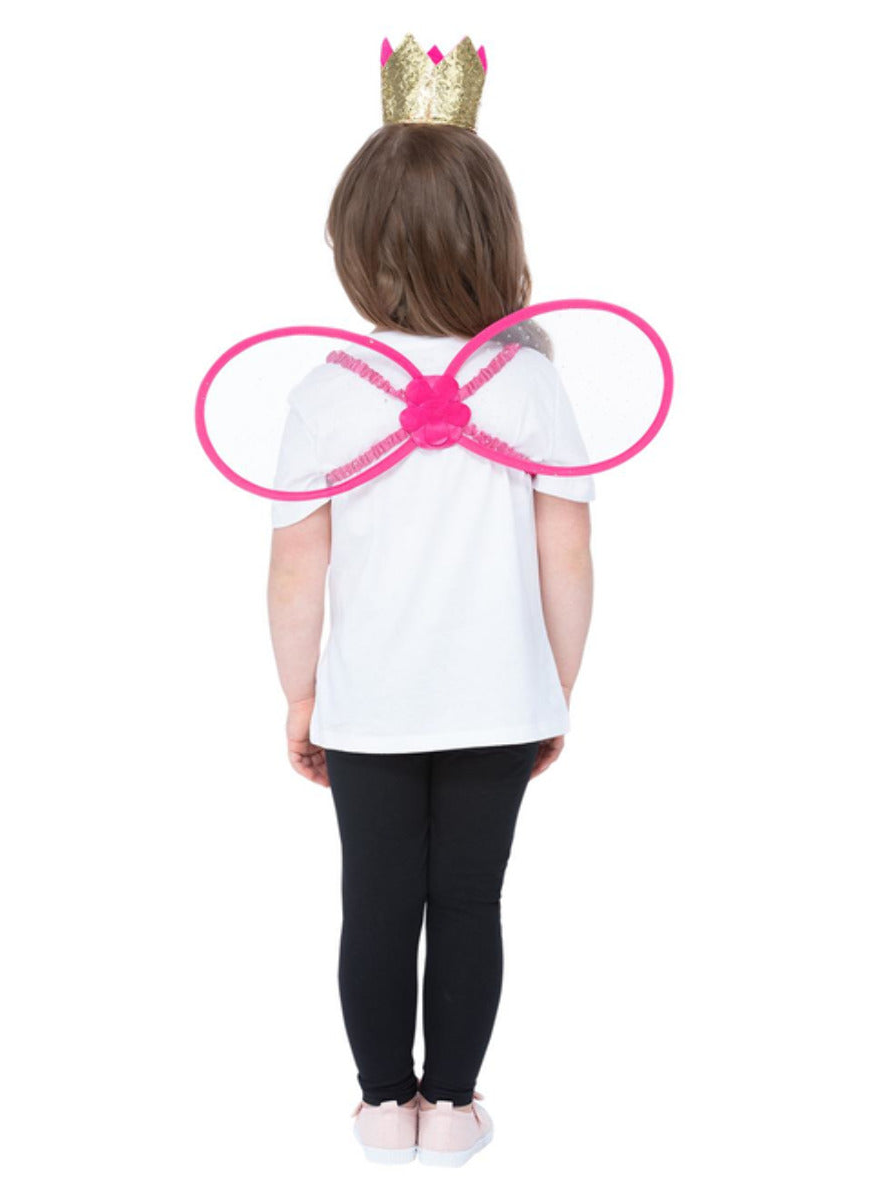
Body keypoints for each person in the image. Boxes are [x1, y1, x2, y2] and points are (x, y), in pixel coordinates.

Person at [266, 34, 594, 1166]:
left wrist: (300, 697)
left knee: (375, 903)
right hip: (498, 700)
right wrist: (555, 687)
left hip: (369, 707)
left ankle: (380, 1111)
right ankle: (451, 1113)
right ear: (494, 236)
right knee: (467, 903)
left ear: (360, 246)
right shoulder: (531, 380)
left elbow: (296, 568)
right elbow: (567, 552)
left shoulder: (328, 392)